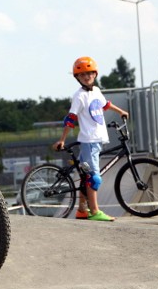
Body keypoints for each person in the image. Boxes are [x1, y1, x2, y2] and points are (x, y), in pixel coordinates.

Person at [53, 56, 128, 222]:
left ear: (95, 74)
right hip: (88, 141)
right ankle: (94, 211)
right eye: (82, 75)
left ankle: (82, 209)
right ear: (77, 78)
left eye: (90, 73)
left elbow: (105, 105)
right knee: (94, 177)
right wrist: (62, 139)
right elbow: (71, 118)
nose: (87, 77)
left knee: (85, 176)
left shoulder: (96, 91)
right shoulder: (79, 96)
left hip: (97, 140)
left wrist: (120, 111)